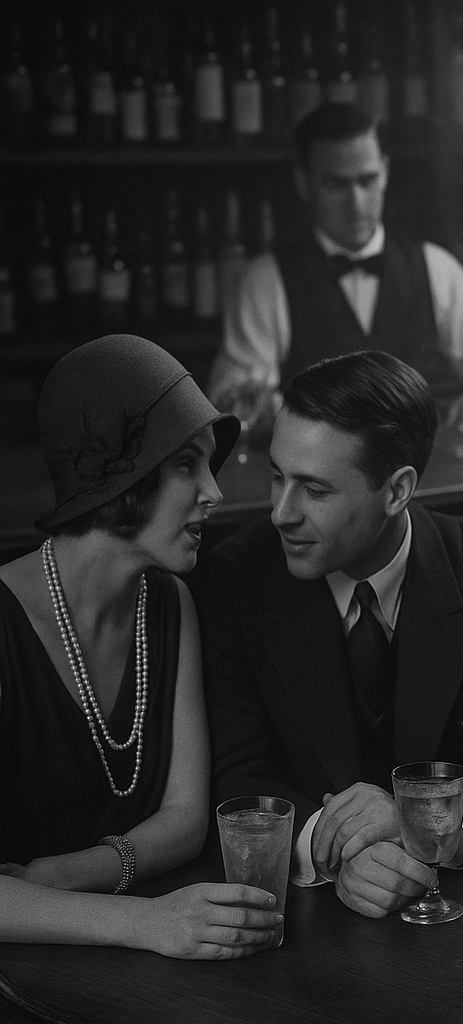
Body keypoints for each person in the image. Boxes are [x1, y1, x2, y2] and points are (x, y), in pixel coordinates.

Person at [196, 350, 463, 920]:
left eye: (314, 490)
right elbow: (238, 771)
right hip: (303, 923)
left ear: (396, 491)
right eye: (278, 477)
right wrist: (336, 843)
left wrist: (426, 828)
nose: (280, 513)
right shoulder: (234, 579)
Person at [1, 334, 281, 959]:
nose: (215, 491)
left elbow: (184, 818)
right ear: (117, 480)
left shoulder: (168, 604)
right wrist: (144, 924)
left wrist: (71, 874)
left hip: (142, 948)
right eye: (187, 464)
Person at [207, 102, 463, 433]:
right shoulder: (266, 281)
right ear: (304, 184)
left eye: (367, 181)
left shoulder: (435, 267)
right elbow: (231, 402)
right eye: (336, 185)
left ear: (386, 173)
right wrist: (259, 409)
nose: (357, 204)